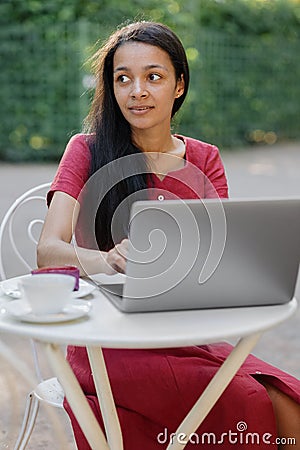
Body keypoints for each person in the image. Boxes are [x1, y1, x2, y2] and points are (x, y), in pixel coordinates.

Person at [37, 21, 300, 449]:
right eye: (123, 78)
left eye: (153, 77)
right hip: (108, 340)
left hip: (183, 332)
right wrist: (108, 259)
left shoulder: (204, 158)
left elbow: (219, 257)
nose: (137, 90)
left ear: (179, 85)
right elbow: (48, 251)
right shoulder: (85, 149)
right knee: (250, 400)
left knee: (290, 403)